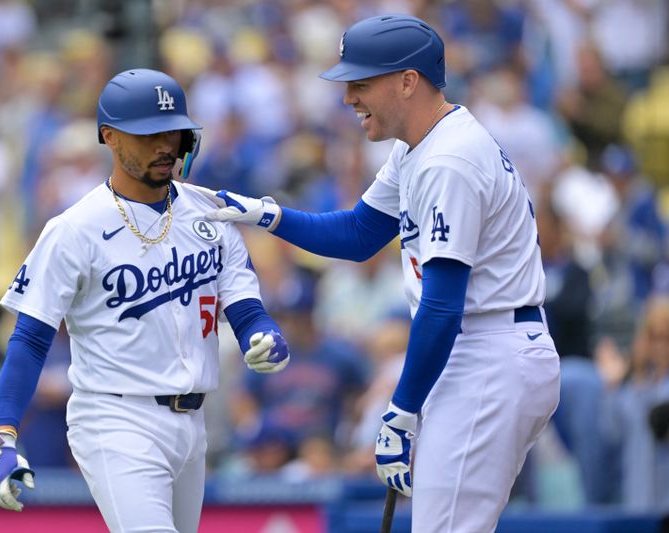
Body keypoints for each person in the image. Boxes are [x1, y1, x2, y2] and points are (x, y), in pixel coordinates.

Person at [199, 14, 560, 533]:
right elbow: (359, 234)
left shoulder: (449, 160)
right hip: (479, 350)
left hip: (488, 351)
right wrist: (268, 215)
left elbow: (442, 304)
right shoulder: (421, 145)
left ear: (408, 82)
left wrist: (402, 409)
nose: (348, 98)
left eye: (362, 84)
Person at [0, 68, 291, 533]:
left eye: (173, 131)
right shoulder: (74, 229)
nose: (165, 145)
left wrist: (262, 333)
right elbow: (29, 339)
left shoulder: (211, 211)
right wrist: (3, 433)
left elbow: (244, 305)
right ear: (109, 136)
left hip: (194, 421)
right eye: (148, 134)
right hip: (116, 416)